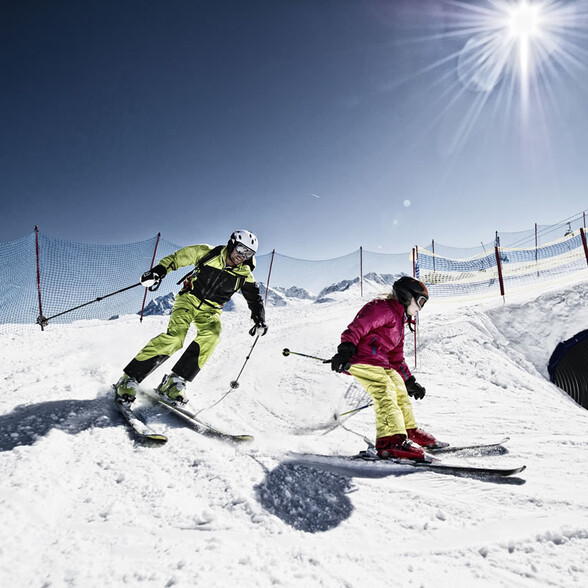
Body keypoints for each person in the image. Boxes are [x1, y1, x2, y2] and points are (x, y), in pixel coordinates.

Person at [114, 230, 267, 405]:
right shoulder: (207, 253)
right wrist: (159, 271)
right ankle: (129, 378)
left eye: (249, 253)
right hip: (188, 300)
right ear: (232, 244)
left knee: (212, 336)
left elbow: (254, 298)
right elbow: (177, 258)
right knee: (175, 338)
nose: (243, 256)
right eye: (241, 249)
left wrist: (259, 318)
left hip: (211, 310)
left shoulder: (245, 274)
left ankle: (174, 383)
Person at [330, 276, 437, 461]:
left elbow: (396, 358)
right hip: (361, 359)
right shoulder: (382, 308)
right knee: (384, 389)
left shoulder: (401, 322)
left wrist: (410, 382)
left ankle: (407, 430)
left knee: (399, 387)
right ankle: (389, 440)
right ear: (406, 295)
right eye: (420, 301)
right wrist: (345, 349)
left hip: (380, 363)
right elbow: (357, 327)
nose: (420, 308)